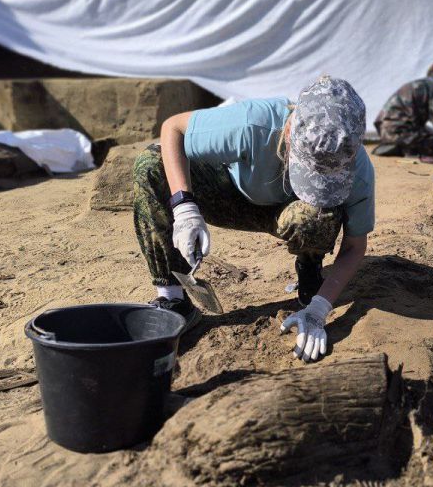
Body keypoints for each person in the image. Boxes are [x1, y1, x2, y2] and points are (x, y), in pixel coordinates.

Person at [132, 75, 374, 363]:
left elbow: (354, 247)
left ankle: (310, 269)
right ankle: (173, 298)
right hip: (234, 194)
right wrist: (184, 207)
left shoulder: (358, 171)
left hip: (292, 213)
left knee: (316, 216)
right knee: (150, 165)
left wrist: (320, 308)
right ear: (288, 130)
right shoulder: (253, 123)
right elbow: (173, 129)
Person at [372, 61, 433, 157]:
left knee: (427, 132)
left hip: (385, 130)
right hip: (400, 131)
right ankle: (404, 147)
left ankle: (397, 144)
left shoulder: (422, 84)